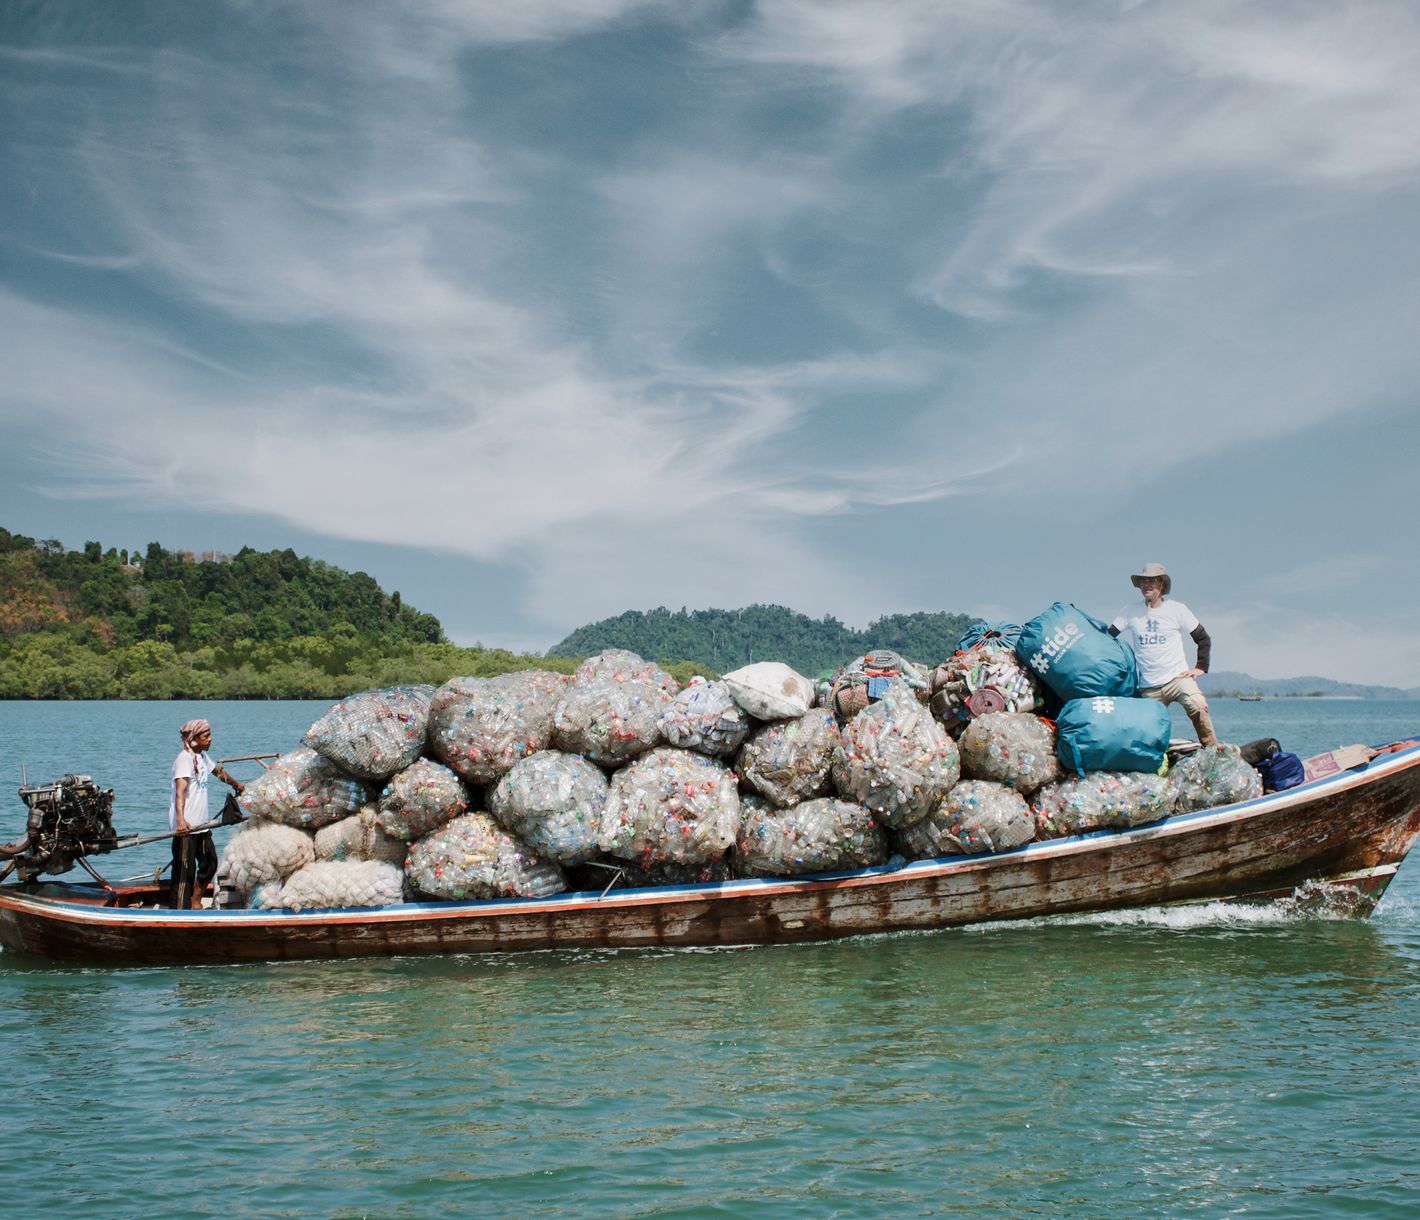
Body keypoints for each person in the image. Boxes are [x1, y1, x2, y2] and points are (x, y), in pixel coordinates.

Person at [1108, 563, 1217, 747]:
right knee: (1146, 732)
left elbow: (1203, 638)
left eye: (1152, 581)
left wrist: (1200, 667)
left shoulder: (1177, 609)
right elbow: (1108, 637)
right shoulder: (1130, 611)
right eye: (1143, 581)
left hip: (1177, 679)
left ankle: (1212, 749)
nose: (1147, 585)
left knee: (1197, 705)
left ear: (1162, 585)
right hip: (1149, 686)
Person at [169, 718, 244, 909]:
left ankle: (195, 901)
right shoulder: (184, 760)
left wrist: (237, 785)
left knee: (210, 862)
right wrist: (180, 820)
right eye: (206, 736)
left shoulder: (201, 757)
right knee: (185, 871)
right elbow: (180, 792)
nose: (210, 739)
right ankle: (179, 912)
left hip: (201, 825)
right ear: (193, 739)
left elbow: (218, 772)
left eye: (210, 735)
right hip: (186, 827)